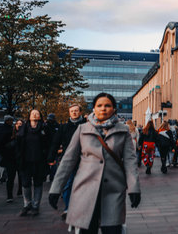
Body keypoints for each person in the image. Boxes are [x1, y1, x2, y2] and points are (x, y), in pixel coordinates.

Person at [48, 93, 140, 234]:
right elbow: (68, 160)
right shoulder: (82, 129)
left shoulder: (123, 130)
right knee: (87, 229)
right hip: (85, 189)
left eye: (107, 105)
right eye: (99, 105)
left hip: (113, 190)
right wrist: (56, 188)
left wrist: (134, 188)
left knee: (112, 230)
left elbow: (130, 161)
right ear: (94, 109)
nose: (103, 109)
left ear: (114, 109)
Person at [47, 104, 86, 220]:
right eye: (72, 111)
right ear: (69, 113)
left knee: (82, 185)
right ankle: (68, 207)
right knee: (67, 184)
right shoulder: (63, 127)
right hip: (68, 160)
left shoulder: (86, 126)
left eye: (76, 111)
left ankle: (81, 208)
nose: (74, 113)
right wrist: (51, 157)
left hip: (84, 160)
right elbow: (55, 142)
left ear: (80, 112)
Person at [16, 109, 50, 216]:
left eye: (37, 113)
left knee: (38, 184)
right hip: (26, 161)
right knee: (25, 184)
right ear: (29, 116)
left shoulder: (44, 128)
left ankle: (36, 206)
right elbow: (17, 143)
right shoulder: (24, 128)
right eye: (32, 113)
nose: (35, 114)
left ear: (40, 116)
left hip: (39, 161)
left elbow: (50, 143)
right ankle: (27, 204)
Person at [0, 115, 15, 201]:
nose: (11, 122)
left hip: (7, 152)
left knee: (7, 167)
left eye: (11, 120)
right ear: (6, 121)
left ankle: (3, 177)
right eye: (9, 120)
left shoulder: (12, 129)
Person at [45, 113, 59, 182]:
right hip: (47, 147)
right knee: (46, 163)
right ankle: (45, 175)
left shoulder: (57, 126)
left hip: (55, 147)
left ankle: (52, 176)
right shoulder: (45, 126)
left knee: (54, 163)